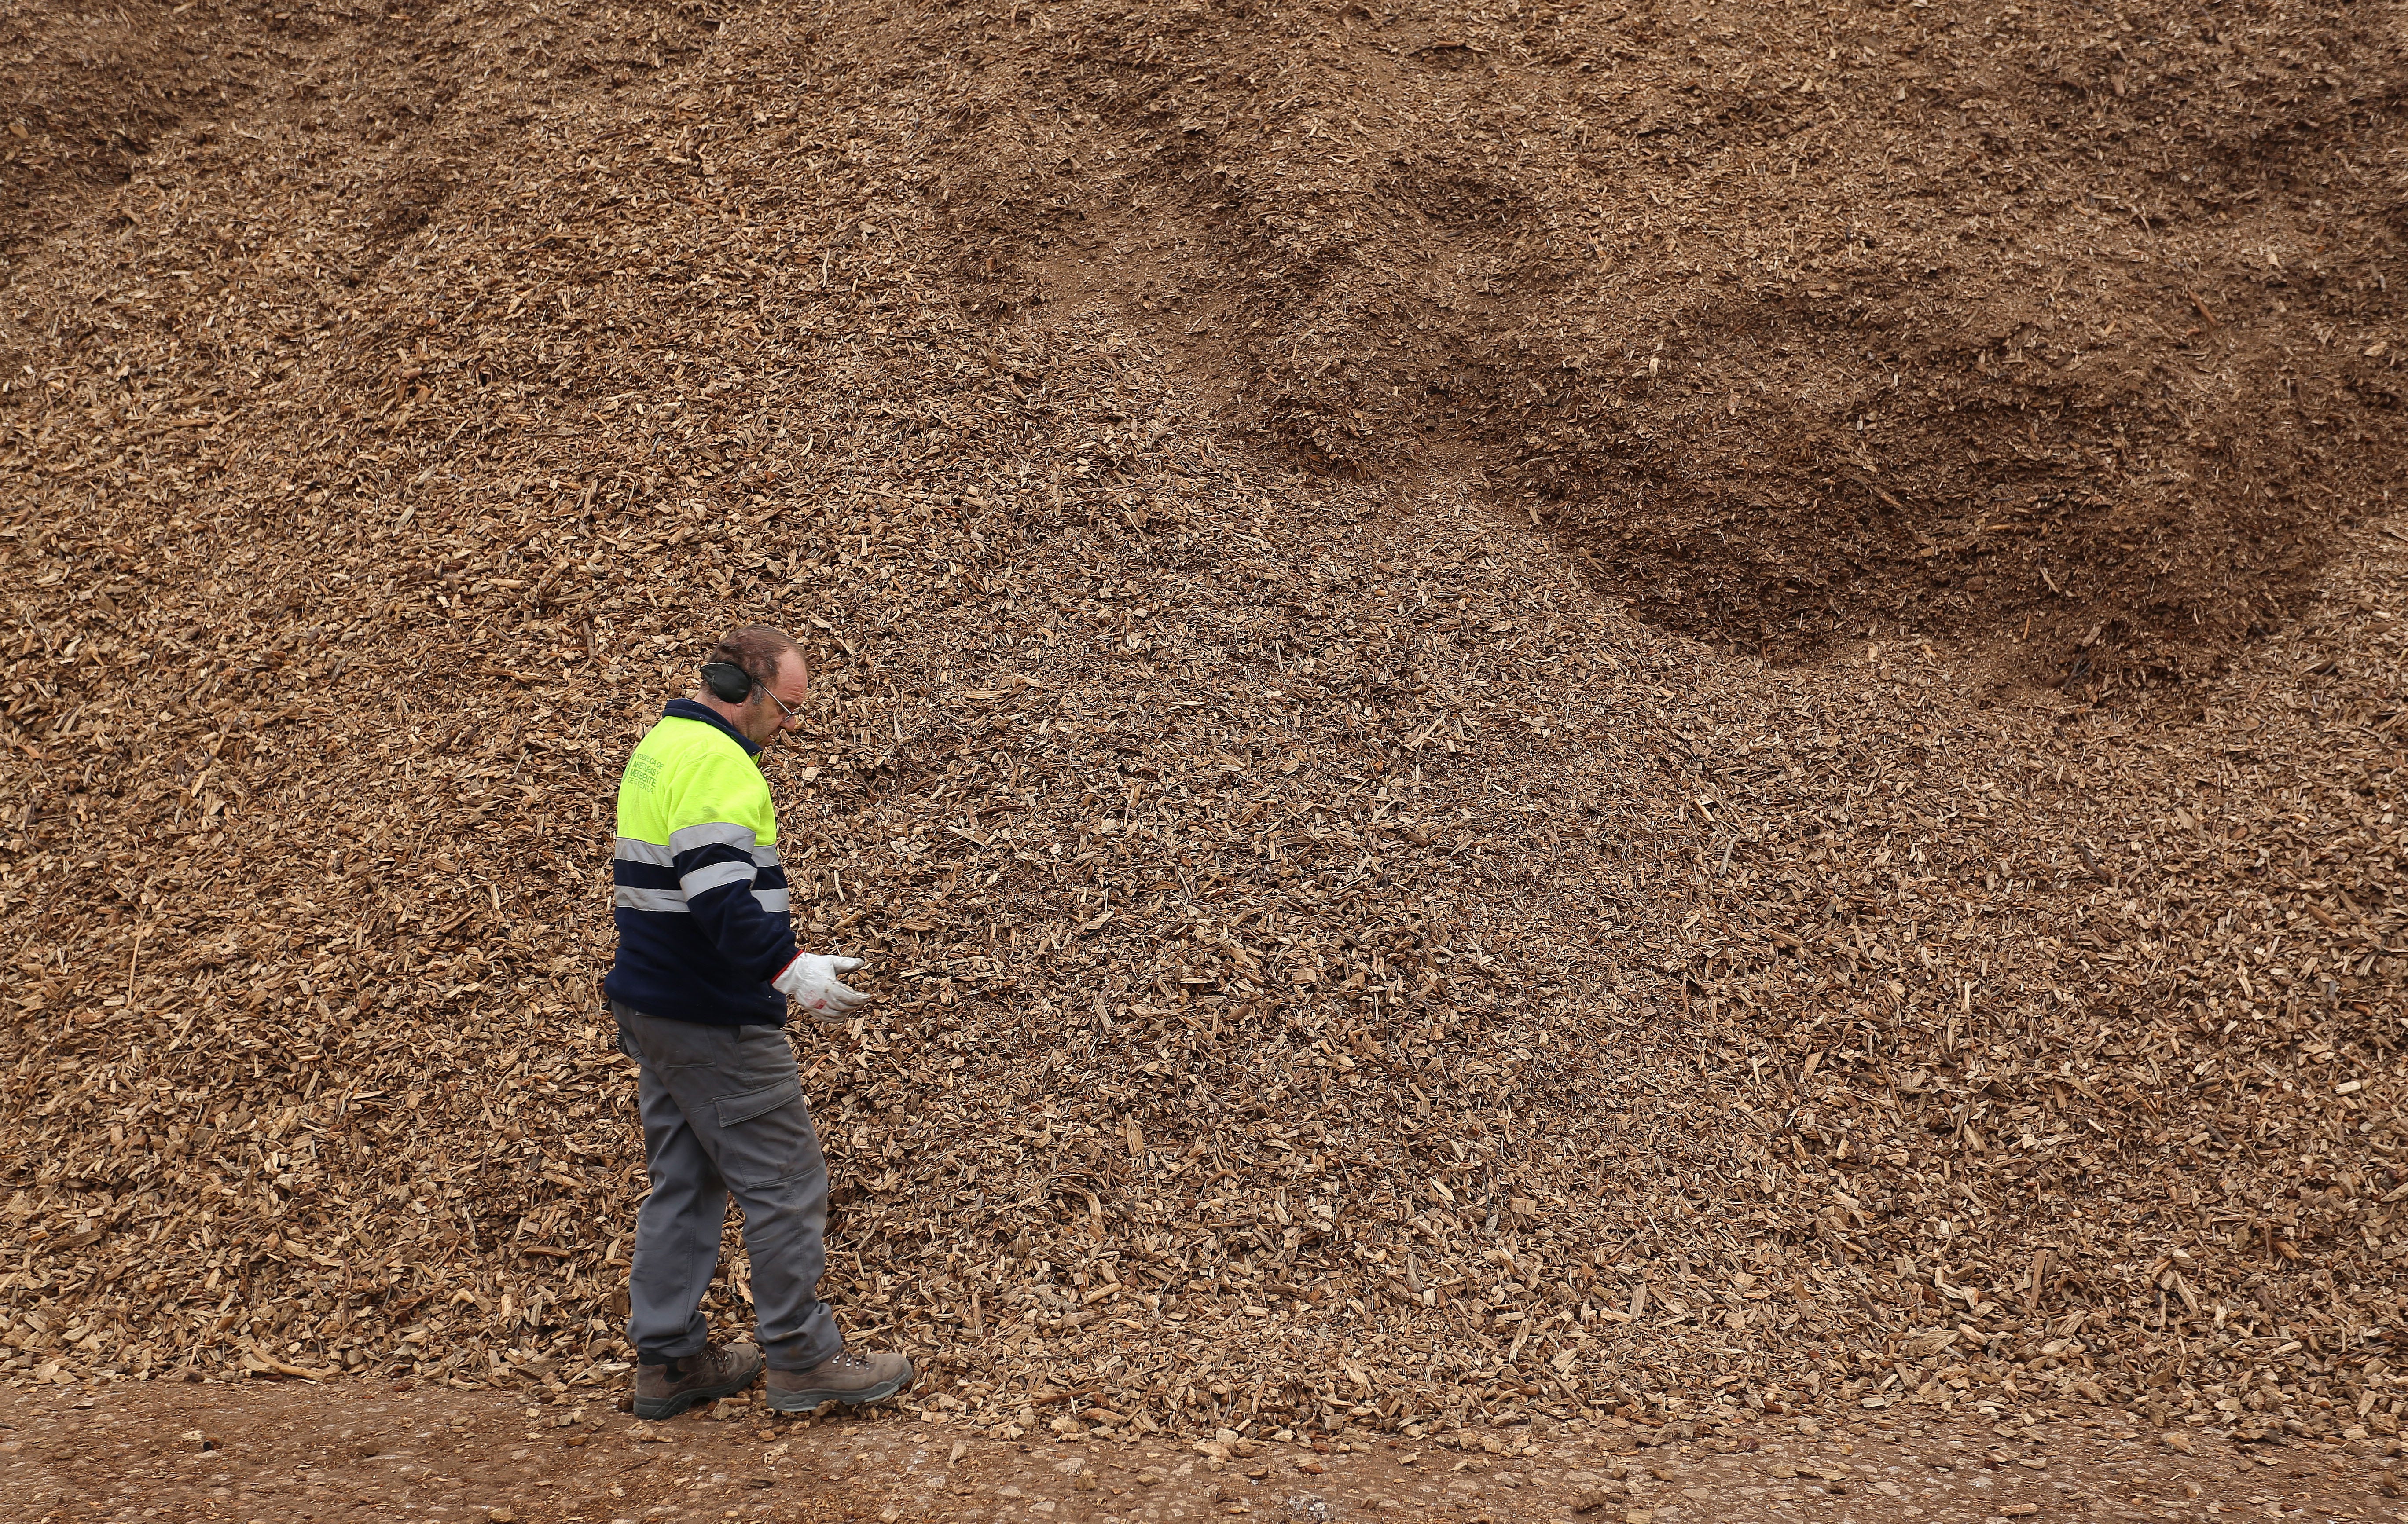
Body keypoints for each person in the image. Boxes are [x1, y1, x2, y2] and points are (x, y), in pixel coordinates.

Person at [604, 623, 914, 1420]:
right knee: (788, 1182)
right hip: (712, 1016)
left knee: (688, 1179)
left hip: (653, 1004)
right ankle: (804, 1359)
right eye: (787, 706)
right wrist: (788, 967)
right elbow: (718, 896)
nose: (793, 723)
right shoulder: (717, 762)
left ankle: (669, 1362)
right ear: (740, 690)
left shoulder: (661, 747)